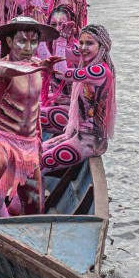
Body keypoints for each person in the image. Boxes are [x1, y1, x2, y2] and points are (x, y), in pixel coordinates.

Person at [0, 17, 62, 218]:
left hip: (28, 144)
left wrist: (38, 142)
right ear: (9, 42)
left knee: (35, 205)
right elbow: (17, 69)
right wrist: (40, 66)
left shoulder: (38, 66)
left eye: (33, 42)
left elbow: (34, 108)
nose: (28, 47)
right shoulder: (3, 66)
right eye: (22, 41)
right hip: (2, 138)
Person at [41, 24, 116, 174]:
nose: (82, 47)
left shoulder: (99, 70)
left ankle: (28, 197)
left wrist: (61, 40)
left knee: (40, 163)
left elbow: (61, 72)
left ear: (102, 47)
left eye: (89, 43)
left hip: (90, 141)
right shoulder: (91, 67)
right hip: (78, 134)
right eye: (81, 43)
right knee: (35, 153)